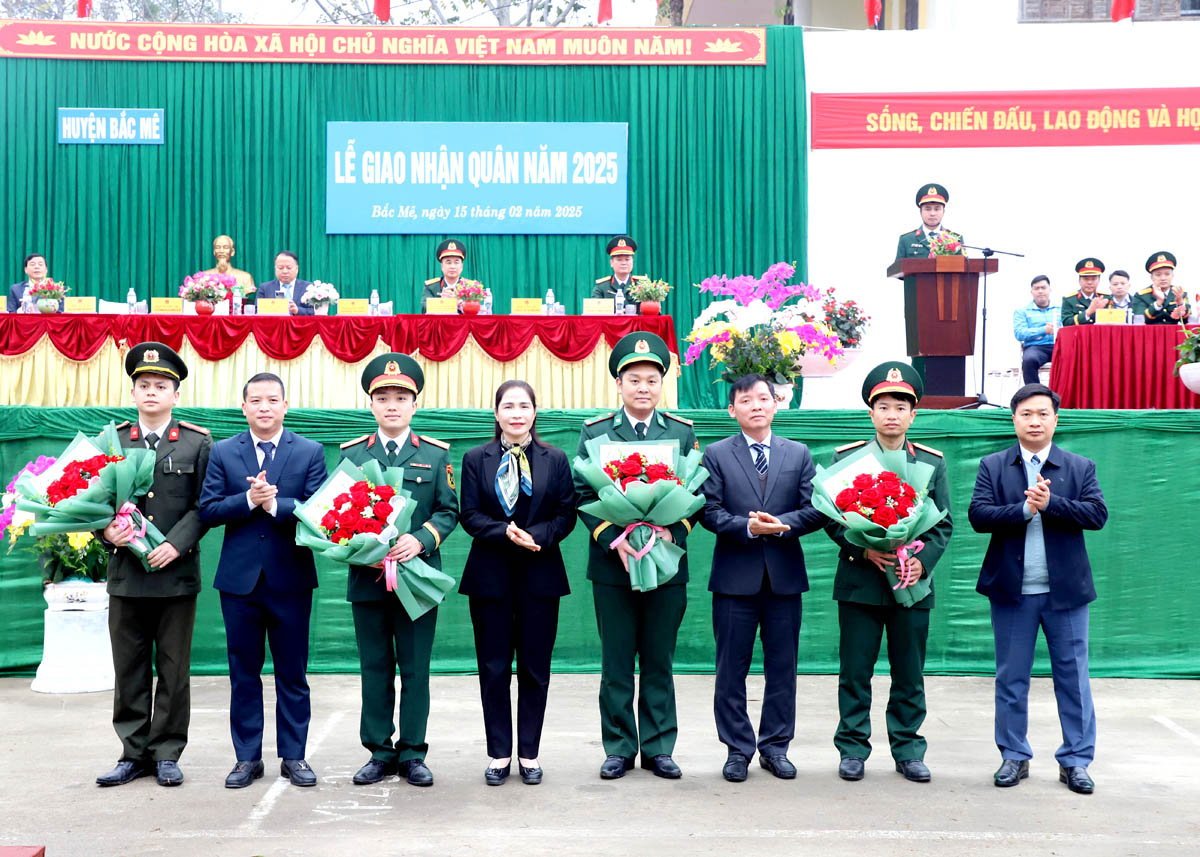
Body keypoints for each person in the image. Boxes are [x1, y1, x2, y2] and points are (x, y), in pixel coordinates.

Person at [967, 383, 1108, 795]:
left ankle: (1076, 761)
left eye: (1042, 414)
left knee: (1073, 676)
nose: (1034, 421)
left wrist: (1052, 505)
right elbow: (979, 515)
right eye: (1026, 414)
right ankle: (1014, 756)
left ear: (1055, 419)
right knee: (1011, 677)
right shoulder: (993, 466)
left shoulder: (1079, 467)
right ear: (1013, 419)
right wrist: (1024, 510)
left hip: (1065, 593)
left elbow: (1097, 514)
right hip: (1012, 591)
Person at [575, 332, 698, 780]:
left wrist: (671, 528)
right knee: (617, 661)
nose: (643, 387)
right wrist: (615, 535)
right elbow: (582, 493)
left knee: (659, 659)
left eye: (651, 379)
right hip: (614, 565)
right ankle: (620, 748)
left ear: (662, 384)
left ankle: (660, 747)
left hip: (666, 564)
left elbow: (696, 492)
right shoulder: (597, 432)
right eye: (634, 379)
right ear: (619, 384)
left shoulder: (681, 432)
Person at [825, 361, 953, 784]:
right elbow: (831, 518)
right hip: (861, 584)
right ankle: (852, 749)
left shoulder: (931, 463)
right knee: (855, 671)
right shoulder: (848, 461)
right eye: (884, 405)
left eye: (901, 406)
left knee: (909, 672)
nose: (892, 414)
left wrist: (921, 560)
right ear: (870, 412)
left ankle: (908, 749)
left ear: (913, 414)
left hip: (912, 585)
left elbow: (943, 523)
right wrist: (862, 551)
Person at [198, 373, 327, 789]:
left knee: (293, 673)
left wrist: (276, 505)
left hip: (290, 579)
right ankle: (246, 758)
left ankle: (295, 756)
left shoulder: (308, 451)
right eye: (256, 400)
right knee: (243, 673)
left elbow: (320, 509)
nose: (264, 407)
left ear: (285, 406)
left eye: (273, 400)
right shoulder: (223, 451)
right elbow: (209, 509)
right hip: (239, 583)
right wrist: (247, 501)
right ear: (244, 407)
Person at [699, 374, 827, 783]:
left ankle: (775, 747)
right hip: (735, 578)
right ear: (731, 410)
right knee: (730, 669)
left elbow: (817, 508)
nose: (756, 405)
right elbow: (709, 511)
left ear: (777, 404)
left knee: (783, 667)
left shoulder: (799, 453)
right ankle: (737, 749)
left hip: (784, 579)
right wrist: (749, 528)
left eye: (763, 398)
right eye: (746, 400)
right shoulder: (717, 454)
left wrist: (781, 525)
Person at [94, 343, 212, 789]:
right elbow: (91, 501)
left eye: (161, 386)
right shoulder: (113, 441)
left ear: (175, 395)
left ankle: (166, 751)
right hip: (126, 574)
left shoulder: (198, 442)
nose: (151, 392)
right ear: (132, 391)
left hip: (175, 575)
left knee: (173, 666)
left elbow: (205, 506)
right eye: (144, 385)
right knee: (128, 667)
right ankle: (132, 752)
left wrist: (177, 546)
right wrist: (105, 532)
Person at [340, 354, 458, 788]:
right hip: (368, 577)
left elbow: (449, 511)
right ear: (371, 404)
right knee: (374, 666)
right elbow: (335, 515)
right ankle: (378, 751)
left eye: (402, 397)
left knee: (414, 667)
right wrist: (360, 547)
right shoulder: (352, 454)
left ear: (414, 404)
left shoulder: (434, 453)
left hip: (417, 579)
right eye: (383, 397)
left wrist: (422, 538)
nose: (393, 405)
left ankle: (412, 753)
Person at [459, 380, 577, 786]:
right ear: (496, 414)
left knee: (534, 669)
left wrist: (539, 537)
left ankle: (529, 753)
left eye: (524, 405)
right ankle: (498, 753)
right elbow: (469, 514)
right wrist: (502, 532)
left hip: (540, 574)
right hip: (490, 575)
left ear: (534, 412)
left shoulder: (555, 459)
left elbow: (567, 513)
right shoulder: (476, 458)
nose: (516, 413)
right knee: (492, 668)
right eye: (508, 406)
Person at [894, 184, 963, 260]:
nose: (932, 213)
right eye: (927, 209)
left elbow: (965, 268)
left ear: (943, 211)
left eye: (937, 209)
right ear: (920, 212)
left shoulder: (955, 239)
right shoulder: (906, 240)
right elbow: (897, 270)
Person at [1013, 275, 1057, 384]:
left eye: (1043, 288)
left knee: (1076, 359)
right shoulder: (1022, 311)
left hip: (1058, 346)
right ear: (1031, 291)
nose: (1040, 291)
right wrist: (1043, 330)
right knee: (1029, 360)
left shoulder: (1060, 308)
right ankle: (1035, 395)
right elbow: (1019, 333)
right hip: (1036, 347)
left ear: (1050, 289)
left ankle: (1066, 395)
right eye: (1036, 288)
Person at [1132, 251, 1190, 324]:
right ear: (1152, 277)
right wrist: (1158, 302)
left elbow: (1186, 320)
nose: (1163, 278)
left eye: (1167, 274)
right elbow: (1140, 320)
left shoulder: (1180, 293)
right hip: (1150, 334)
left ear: (1172, 276)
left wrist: (1180, 302)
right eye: (1158, 275)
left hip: (1174, 333)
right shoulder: (1141, 296)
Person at [591, 235, 644, 310]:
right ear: (611, 263)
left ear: (632, 262)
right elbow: (594, 312)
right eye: (619, 260)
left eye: (627, 259)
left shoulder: (643, 285)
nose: (623, 263)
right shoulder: (601, 287)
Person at [257, 251, 313, 316]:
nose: (285, 271)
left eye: (289, 268)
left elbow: (315, 311)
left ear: (297, 269)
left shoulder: (308, 287)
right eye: (280, 268)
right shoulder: (265, 288)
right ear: (275, 269)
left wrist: (298, 310)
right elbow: (256, 310)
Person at [1060, 258, 1109, 326]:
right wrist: (1088, 312)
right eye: (1086, 279)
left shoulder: (1106, 298)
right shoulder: (1069, 300)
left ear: (1099, 280)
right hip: (1079, 335)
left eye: (1093, 279)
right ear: (1079, 280)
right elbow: (1066, 323)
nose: (1089, 282)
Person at [422, 239, 466, 313]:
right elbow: (424, 307)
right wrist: (443, 302)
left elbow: (480, 311)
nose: (452, 266)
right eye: (448, 262)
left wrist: (458, 303)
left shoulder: (471, 287)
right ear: (442, 266)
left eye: (456, 262)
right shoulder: (431, 287)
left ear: (461, 266)